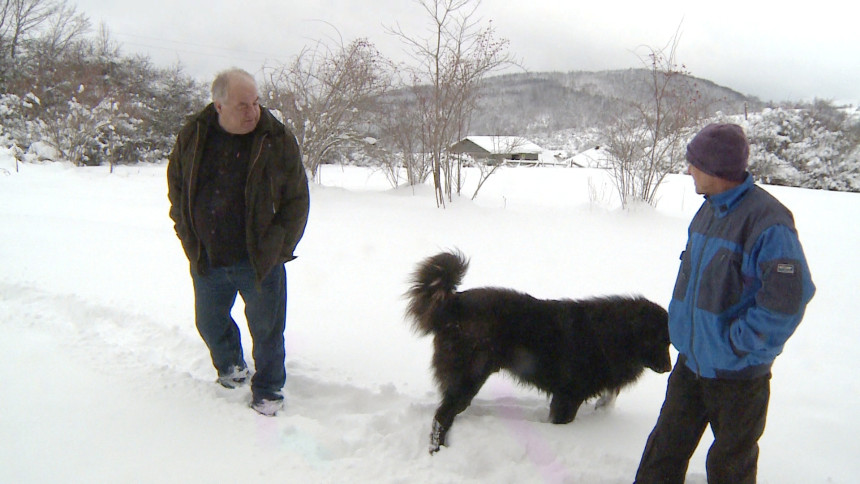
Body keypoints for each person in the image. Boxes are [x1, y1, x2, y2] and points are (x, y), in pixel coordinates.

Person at [634, 123, 815, 483]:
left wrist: (738, 345)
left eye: (694, 164)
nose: (688, 171)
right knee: (662, 453)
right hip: (692, 364)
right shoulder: (708, 210)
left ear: (717, 170)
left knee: (731, 467)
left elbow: (786, 302)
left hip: (738, 377)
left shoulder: (769, 223)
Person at [167, 68, 310, 416]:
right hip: (208, 257)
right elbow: (177, 189)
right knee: (210, 322)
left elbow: (297, 200)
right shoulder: (194, 135)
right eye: (242, 105)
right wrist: (189, 238)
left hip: (258, 260)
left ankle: (268, 390)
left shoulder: (275, 138)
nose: (252, 111)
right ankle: (231, 370)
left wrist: (276, 249)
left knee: (267, 332)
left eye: (256, 102)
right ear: (218, 106)